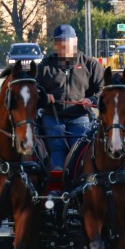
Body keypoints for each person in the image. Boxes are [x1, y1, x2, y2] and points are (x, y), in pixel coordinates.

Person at [36, 24, 104, 170]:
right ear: (55, 45)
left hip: (80, 117)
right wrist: (43, 96)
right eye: (60, 44)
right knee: (56, 149)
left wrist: (91, 100)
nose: (64, 48)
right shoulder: (45, 65)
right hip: (52, 118)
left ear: (75, 42)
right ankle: (57, 180)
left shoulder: (90, 65)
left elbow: (103, 90)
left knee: (80, 149)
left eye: (67, 44)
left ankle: (80, 181)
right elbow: (34, 89)